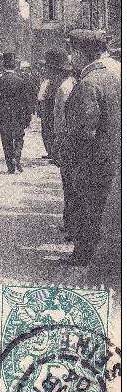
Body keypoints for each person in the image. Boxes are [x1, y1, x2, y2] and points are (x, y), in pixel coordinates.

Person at [58, 30, 121, 267]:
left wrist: (72, 158)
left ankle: (83, 255)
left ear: (83, 53)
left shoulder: (88, 84)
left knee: (86, 205)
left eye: (73, 52)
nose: (71, 58)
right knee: (99, 207)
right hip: (110, 154)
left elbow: (85, 131)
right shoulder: (113, 79)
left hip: (91, 158)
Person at [0, 52, 33, 174]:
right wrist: (28, 116)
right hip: (19, 114)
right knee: (19, 137)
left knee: (6, 139)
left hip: (3, 114)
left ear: (3, 65)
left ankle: (10, 166)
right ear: (15, 66)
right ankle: (17, 157)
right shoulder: (21, 81)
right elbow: (26, 101)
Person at [49, 52, 76, 236]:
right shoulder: (74, 83)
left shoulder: (62, 88)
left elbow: (60, 120)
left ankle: (70, 224)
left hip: (66, 140)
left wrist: (57, 144)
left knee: (68, 183)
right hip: (74, 139)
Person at [37, 49, 70, 162]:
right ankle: (51, 152)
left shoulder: (62, 83)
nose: (45, 70)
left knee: (54, 130)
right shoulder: (49, 81)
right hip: (48, 107)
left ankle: (55, 152)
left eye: (48, 68)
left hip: (52, 107)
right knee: (47, 130)